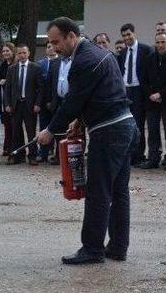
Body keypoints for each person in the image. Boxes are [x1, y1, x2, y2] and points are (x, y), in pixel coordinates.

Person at [37, 17, 138, 265]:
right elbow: (100, 94)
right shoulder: (101, 53)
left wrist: (50, 130)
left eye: (56, 42)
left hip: (109, 132)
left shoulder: (83, 62)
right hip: (126, 125)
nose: (54, 47)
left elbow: (72, 102)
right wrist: (81, 120)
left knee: (98, 192)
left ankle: (92, 249)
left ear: (72, 36)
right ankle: (117, 247)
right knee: (118, 190)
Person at [140, 32, 166, 170]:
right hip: (152, 102)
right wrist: (151, 94)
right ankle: (153, 158)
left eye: (163, 42)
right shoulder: (149, 58)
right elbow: (144, 80)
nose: (160, 45)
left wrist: (161, 94)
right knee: (152, 131)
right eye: (157, 42)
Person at [117, 23, 153, 166]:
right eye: (124, 36)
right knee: (126, 125)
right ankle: (129, 155)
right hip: (126, 92)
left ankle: (139, 155)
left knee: (138, 124)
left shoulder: (145, 50)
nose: (127, 38)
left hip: (139, 91)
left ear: (134, 34)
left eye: (129, 34)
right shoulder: (123, 53)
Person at [4, 44, 43, 165]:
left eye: (24, 53)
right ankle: (17, 155)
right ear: (17, 54)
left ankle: (32, 155)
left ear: (28, 53)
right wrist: (7, 104)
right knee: (16, 131)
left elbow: (41, 88)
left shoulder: (35, 68)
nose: (22, 55)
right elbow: (8, 89)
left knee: (31, 131)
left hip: (29, 104)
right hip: (16, 105)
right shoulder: (12, 69)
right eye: (19, 53)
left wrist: (38, 103)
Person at [38, 42, 59, 162]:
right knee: (44, 126)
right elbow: (41, 86)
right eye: (49, 47)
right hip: (44, 102)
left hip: (57, 101)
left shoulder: (61, 62)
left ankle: (57, 153)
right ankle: (43, 153)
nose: (51, 49)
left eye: (53, 46)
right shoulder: (40, 64)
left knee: (57, 128)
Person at [0, 43, 16, 156]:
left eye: (7, 51)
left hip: (15, 98)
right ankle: (7, 147)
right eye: (4, 51)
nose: (5, 53)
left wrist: (6, 81)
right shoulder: (3, 65)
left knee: (15, 125)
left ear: (13, 52)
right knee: (7, 125)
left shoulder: (16, 65)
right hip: (4, 99)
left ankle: (15, 147)